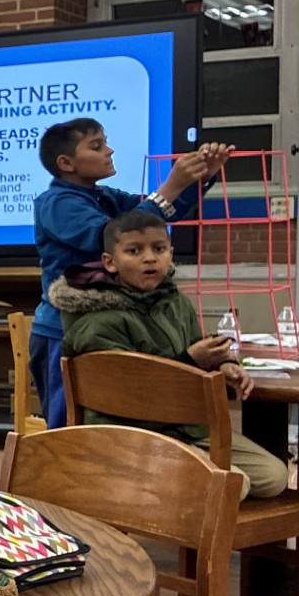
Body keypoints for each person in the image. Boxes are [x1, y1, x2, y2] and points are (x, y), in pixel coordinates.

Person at [55, 208, 287, 500]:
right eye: (134, 251)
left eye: (159, 249)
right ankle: (168, 513)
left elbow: (197, 345)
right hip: (129, 432)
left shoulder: (174, 300)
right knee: (233, 486)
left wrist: (224, 364)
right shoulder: (97, 320)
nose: (149, 258)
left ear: (171, 254)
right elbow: (126, 392)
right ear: (110, 262)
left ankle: (187, 499)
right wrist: (191, 361)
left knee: (274, 477)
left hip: (184, 427)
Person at [30, 120, 231, 428]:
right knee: (69, 424)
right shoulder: (56, 203)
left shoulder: (105, 196)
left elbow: (154, 216)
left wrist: (199, 177)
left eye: (105, 143)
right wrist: (171, 185)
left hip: (108, 324)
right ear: (66, 163)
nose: (109, 151)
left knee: (117, 413)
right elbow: (115, 234)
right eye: (97, 146)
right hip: (63, 330)